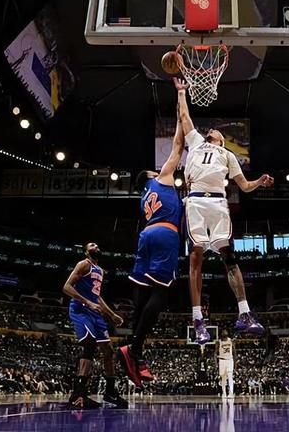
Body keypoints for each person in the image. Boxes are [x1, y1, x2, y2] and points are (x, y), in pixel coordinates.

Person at [176, 78, 274, 344]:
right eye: (211, 129)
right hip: (196, 201)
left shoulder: (229, 155)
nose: (212, 130)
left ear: (221, 140)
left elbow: (245, 186)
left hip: (219, 203)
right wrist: (182, 92)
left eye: (217, 131)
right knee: (196, 256)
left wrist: (260, 181)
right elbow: (184, 116)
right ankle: (198, 321)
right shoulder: (196, 141)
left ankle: (245, 313)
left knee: (229, 257)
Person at [121, 83, 185, 387]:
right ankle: (135, 347)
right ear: (150, 175)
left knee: (142, 295)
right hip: (165, 235)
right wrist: (181, 110)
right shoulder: (161, 179)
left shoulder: (143, 197)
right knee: (162, 293)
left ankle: (133, 350)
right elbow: (177, 146)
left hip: (145, 236)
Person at [62, 242, 128, 409]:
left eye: (97, 245)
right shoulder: (84, 264)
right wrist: (87, 302)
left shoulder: (99, 270)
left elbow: (97, 297)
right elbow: (66, 287)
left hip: (95, 312)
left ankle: (110, 392)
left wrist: (111, 314)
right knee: (90, 344)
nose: (96, 246)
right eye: (91, 245)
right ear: (86, 252)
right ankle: (78, 394)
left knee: (109, 351)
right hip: (81, 309)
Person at [216, 329, 235, 398]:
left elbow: (234, 352)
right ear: (221, 334)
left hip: (230, 360)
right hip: (222, 360)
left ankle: (231, 392)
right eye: (223, 331)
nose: (224, 332)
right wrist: (216, 363)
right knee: (223, 377)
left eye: (225, 331)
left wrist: (235, 363)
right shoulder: (218, 342)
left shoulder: (231, 341)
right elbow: (215, 353)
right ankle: (224, 392)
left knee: (230, 376)